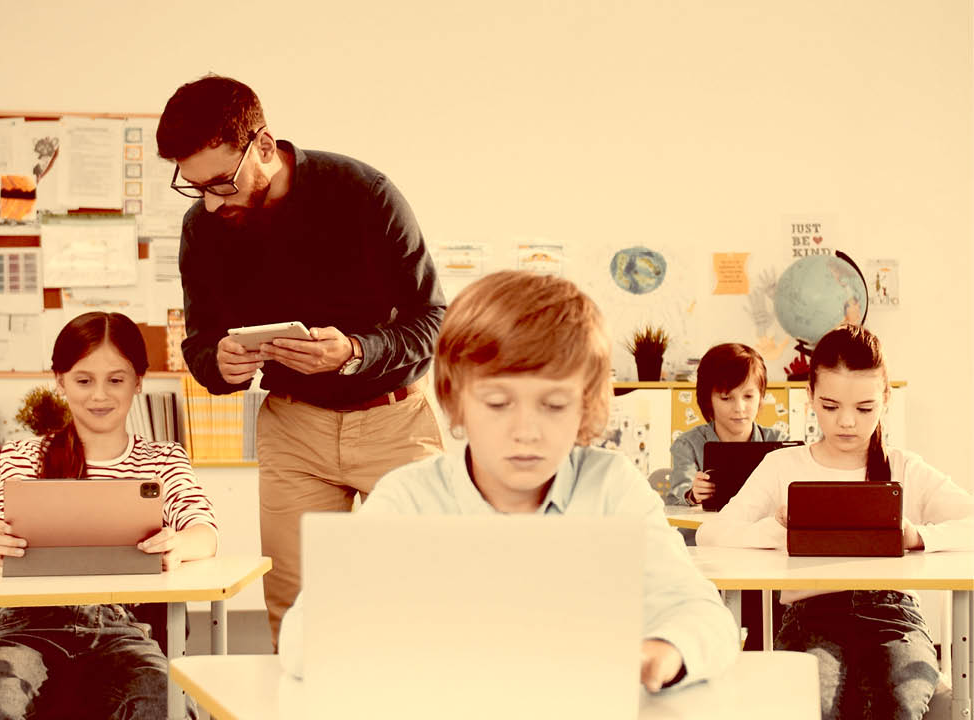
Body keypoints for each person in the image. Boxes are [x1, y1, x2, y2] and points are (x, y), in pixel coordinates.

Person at [278, 271, 739, 691]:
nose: (525, 430)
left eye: (554, 406)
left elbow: (704, 617)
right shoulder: (409, 496)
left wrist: (666, 652)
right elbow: (302, 638)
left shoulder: (611, 486)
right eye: (498, 403)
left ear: (587, 407)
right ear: (456, 403)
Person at [157, 74, 446, 644]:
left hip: (394, 420)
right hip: (293, 428)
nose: (212, 202)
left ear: (263, 145)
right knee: (296, 613)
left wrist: (357, 352)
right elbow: (200, 343)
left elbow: (433, 322)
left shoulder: (364, 193)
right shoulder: (205, 226)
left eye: (222, 182)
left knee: (424, 593)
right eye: (196, 188)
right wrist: (221, 365)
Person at [696, 324, 974, 720]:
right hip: (813, 615)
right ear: (809, 396)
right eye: (830, 406)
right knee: (818, 705)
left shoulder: (903, 467)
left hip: (894, 616)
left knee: (899, 704)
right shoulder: (782, 466)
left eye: (864, 409)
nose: (847, 422)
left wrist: (917, 536)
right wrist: (779, 529)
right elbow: (711, 535)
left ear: (885, 399)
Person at [0, 312, 218, 720]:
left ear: (138, 381)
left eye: (116, 379)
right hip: (23, 623)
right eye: (83, 380)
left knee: (161, 700)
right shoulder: (25, 456)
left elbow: (204, 531)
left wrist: (180, 543)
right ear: (59, 381)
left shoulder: (162, 459)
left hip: (120, 624)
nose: (100, 395)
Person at [669, 342, 788, 508]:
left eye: (748, 396)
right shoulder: (687, 444)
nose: (739, 408)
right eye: (726, 398)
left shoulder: (779, 442)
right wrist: (693, 495)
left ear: (761, 396)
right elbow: (677, 498)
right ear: (708, 400)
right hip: (703, 532)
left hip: (755, 531)